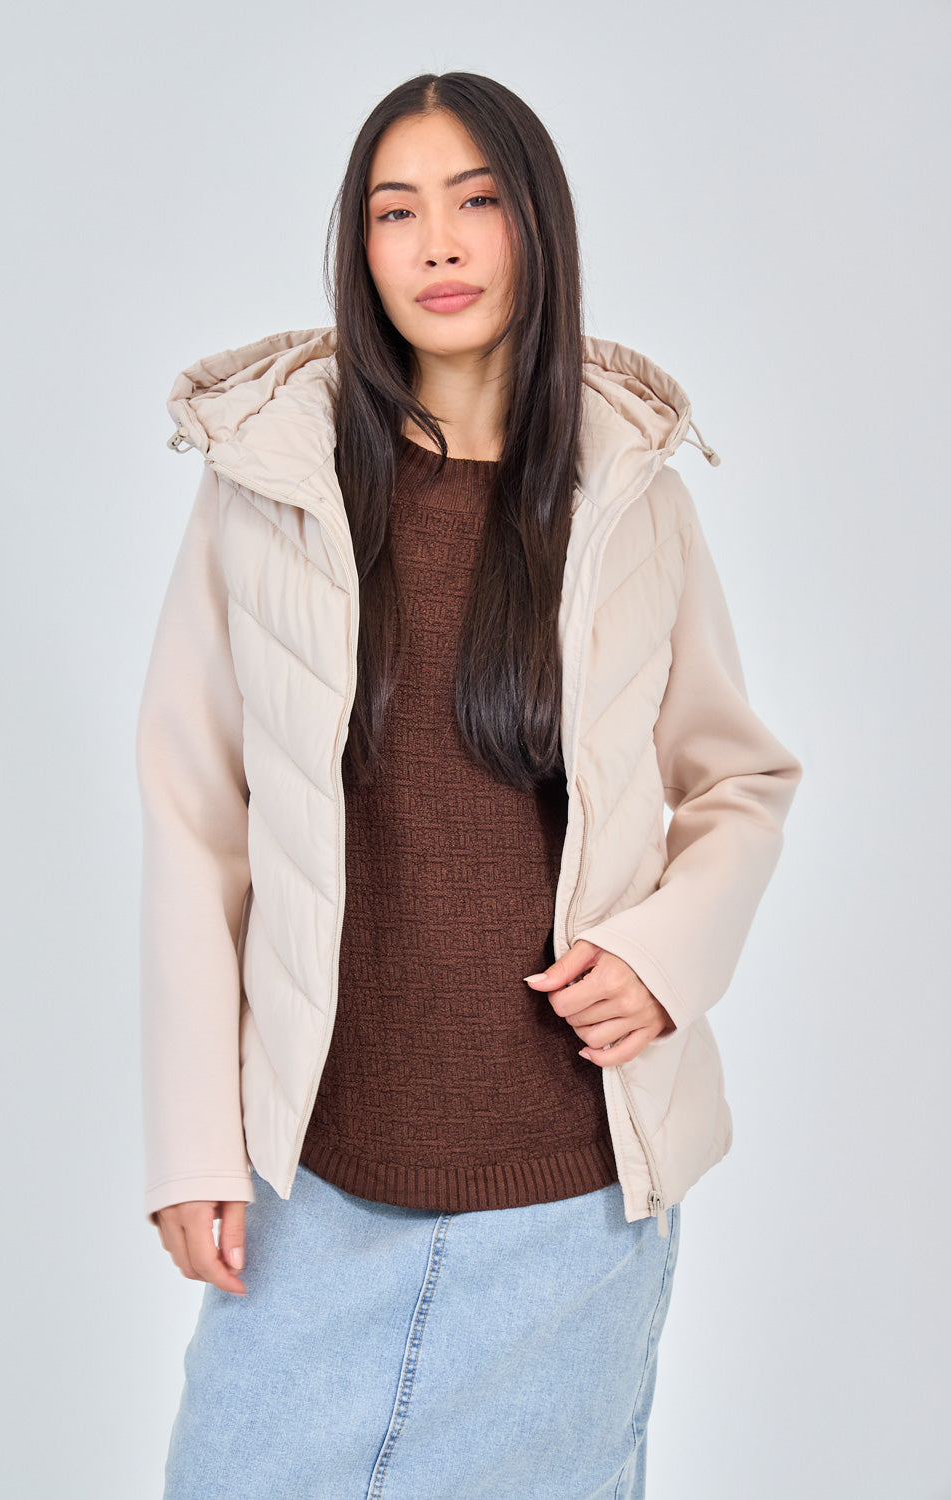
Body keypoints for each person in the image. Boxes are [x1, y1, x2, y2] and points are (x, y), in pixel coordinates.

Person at [137, 70, 802, 1500]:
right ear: (360, 247)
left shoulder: (630, 493)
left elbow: (739, 779)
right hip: (315, 1183)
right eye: (397, 211)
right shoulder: (269, 484)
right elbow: (196, 824)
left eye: (477, 200)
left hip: (574, 1199)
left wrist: (664, 958)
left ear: (535, 225)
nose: (438, 244)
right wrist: (192, 1144)